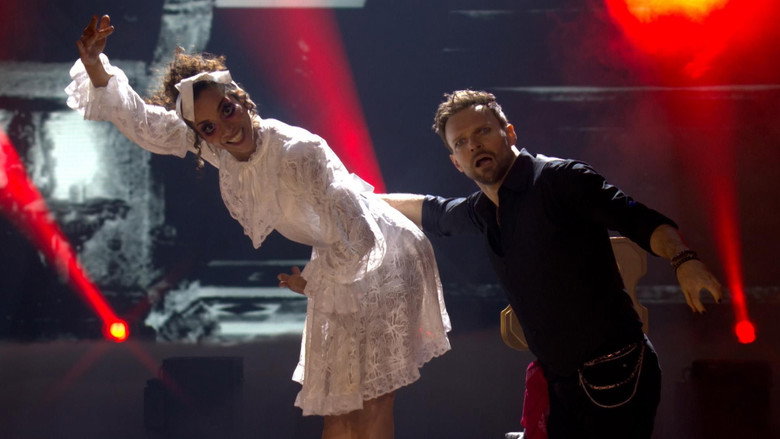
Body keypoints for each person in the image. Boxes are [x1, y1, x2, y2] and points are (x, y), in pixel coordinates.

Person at [68, 15, 451, 438]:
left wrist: (313, 282)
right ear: (200, 135)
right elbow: (145, 123)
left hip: (386, 257)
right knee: (339, 407)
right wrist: (95, 67)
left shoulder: (299, 152)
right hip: (337, 264)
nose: (225, 129)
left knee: (372, 401)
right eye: (208, 127)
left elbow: (362, 240)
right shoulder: (218, 148)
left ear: (240, 98)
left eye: (226, 111)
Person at [381, 90, 723, 438]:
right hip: (562, 384)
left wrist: (684, 260)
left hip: (617, 374)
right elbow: (433, 211)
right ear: (456, 161)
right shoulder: (482, 211)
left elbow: (638, 218)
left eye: (482, 131)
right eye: (461, 142)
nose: (474, 145)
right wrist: (358, 198)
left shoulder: (559, 179)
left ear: (509, 133)